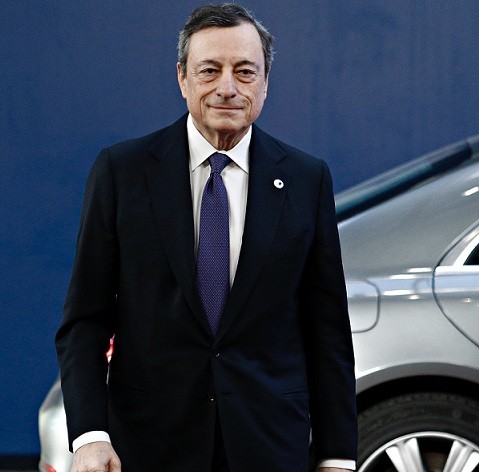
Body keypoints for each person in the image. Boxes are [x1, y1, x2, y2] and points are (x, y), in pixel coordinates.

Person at [55, 3, 357, 472]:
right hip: (149, 446)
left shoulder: (306, 179)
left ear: (265, 82)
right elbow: (85, 321)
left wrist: (337, 457)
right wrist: (91, 436)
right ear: (182, 78)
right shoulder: (122, 172)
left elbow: (327, 331)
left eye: (245, 71)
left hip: (269, 446)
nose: (227, 88)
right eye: (209, 70)